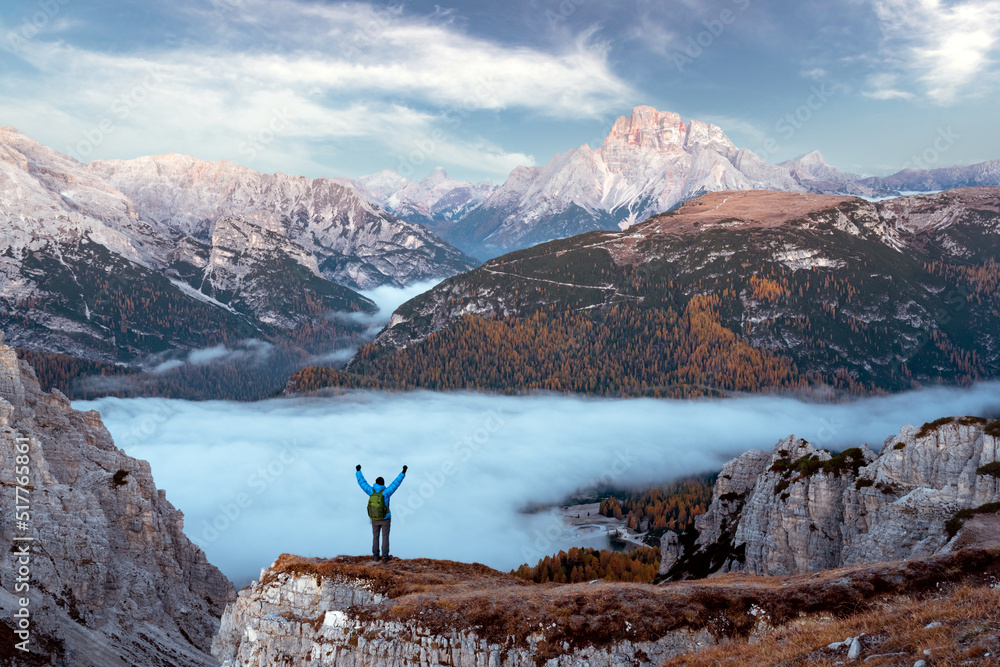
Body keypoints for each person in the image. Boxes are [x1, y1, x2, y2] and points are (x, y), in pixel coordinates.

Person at [356, 464, 406, 562]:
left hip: (374, 518)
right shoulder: (386, 492)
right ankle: (385, 557)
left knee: (375, 536)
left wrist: (358, 471)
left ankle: (375, 556)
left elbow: (362, 482)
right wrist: (403, 472)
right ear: (383, 484)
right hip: (385, 518)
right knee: (385, 537)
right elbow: (396, 483)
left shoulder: (371, 491)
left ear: (375, 483)